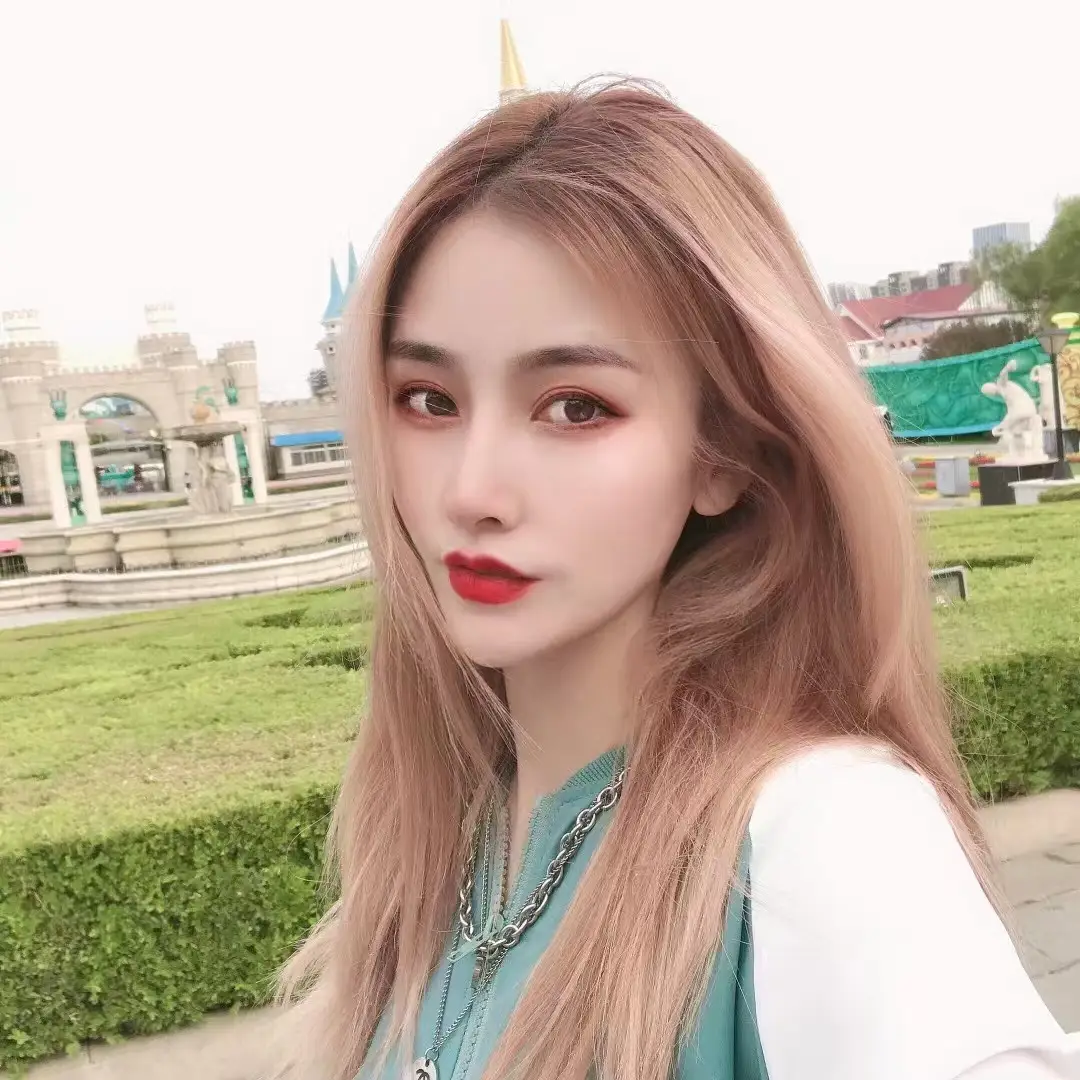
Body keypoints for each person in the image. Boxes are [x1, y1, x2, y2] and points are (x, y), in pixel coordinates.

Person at [274, 81, 1079, 1080]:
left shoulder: (823, 841)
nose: (471, 491)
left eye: (576, 407)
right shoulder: (435, 838)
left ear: (725, 452)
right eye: (429, 399)